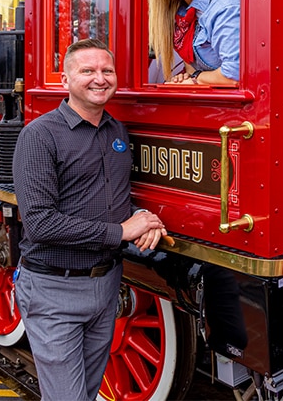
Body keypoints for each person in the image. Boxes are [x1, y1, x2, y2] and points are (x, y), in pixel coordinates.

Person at [12, 38, 167, 401]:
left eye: (106, 70)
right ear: (65, 80)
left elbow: (107, 199)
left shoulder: (115, 131)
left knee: (89, 391)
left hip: (105, 286)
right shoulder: (39, 136)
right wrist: (122, 231)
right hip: (54, 290)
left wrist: (141, 217)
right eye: (88, 71)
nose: (100, 79)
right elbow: (40, 224)